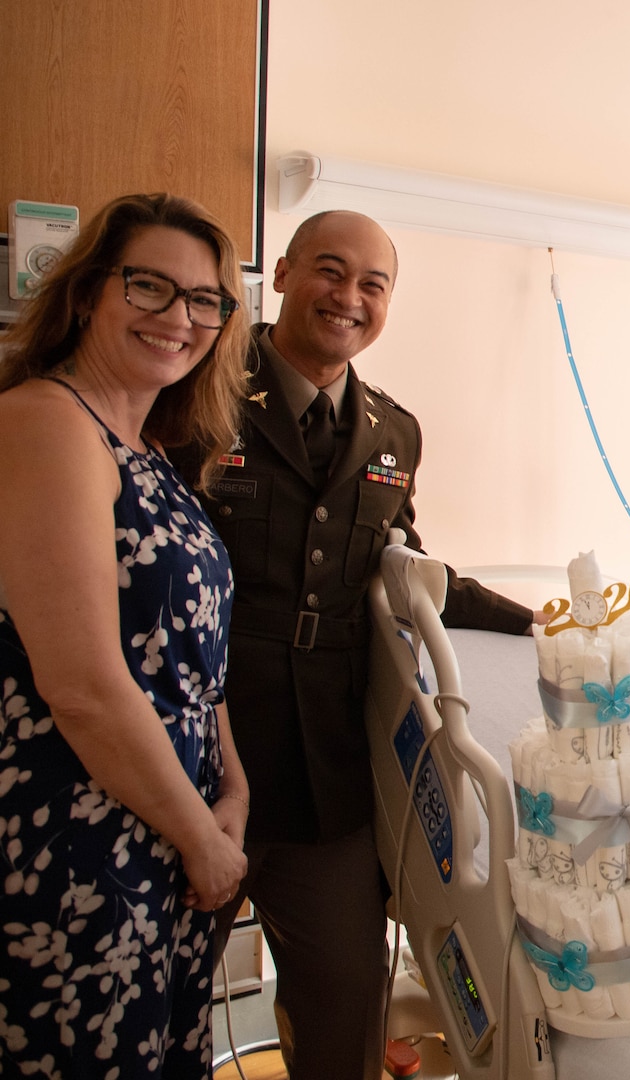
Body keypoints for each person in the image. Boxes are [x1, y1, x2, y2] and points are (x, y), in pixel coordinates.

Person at [172, 210, 535, 1078]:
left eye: (373, 284)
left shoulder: (392, 432)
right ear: (284, 274)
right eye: (330, 271)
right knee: (160, 1001)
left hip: (325, 774)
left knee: (344, 1004)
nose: (349, 297)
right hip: (197, 757)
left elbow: (402, 571)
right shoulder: (196, 392)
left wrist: (533, 621)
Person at [0, 193, 251, 1076]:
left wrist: (233, 787)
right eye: (149, 286)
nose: (179, 317)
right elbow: (81, 685)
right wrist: (202, 839)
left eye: (204, 299)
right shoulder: (45, 423)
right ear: (86, 294)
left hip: (167, 828)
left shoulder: (145, 449)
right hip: (84, 840)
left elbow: (192, 662)